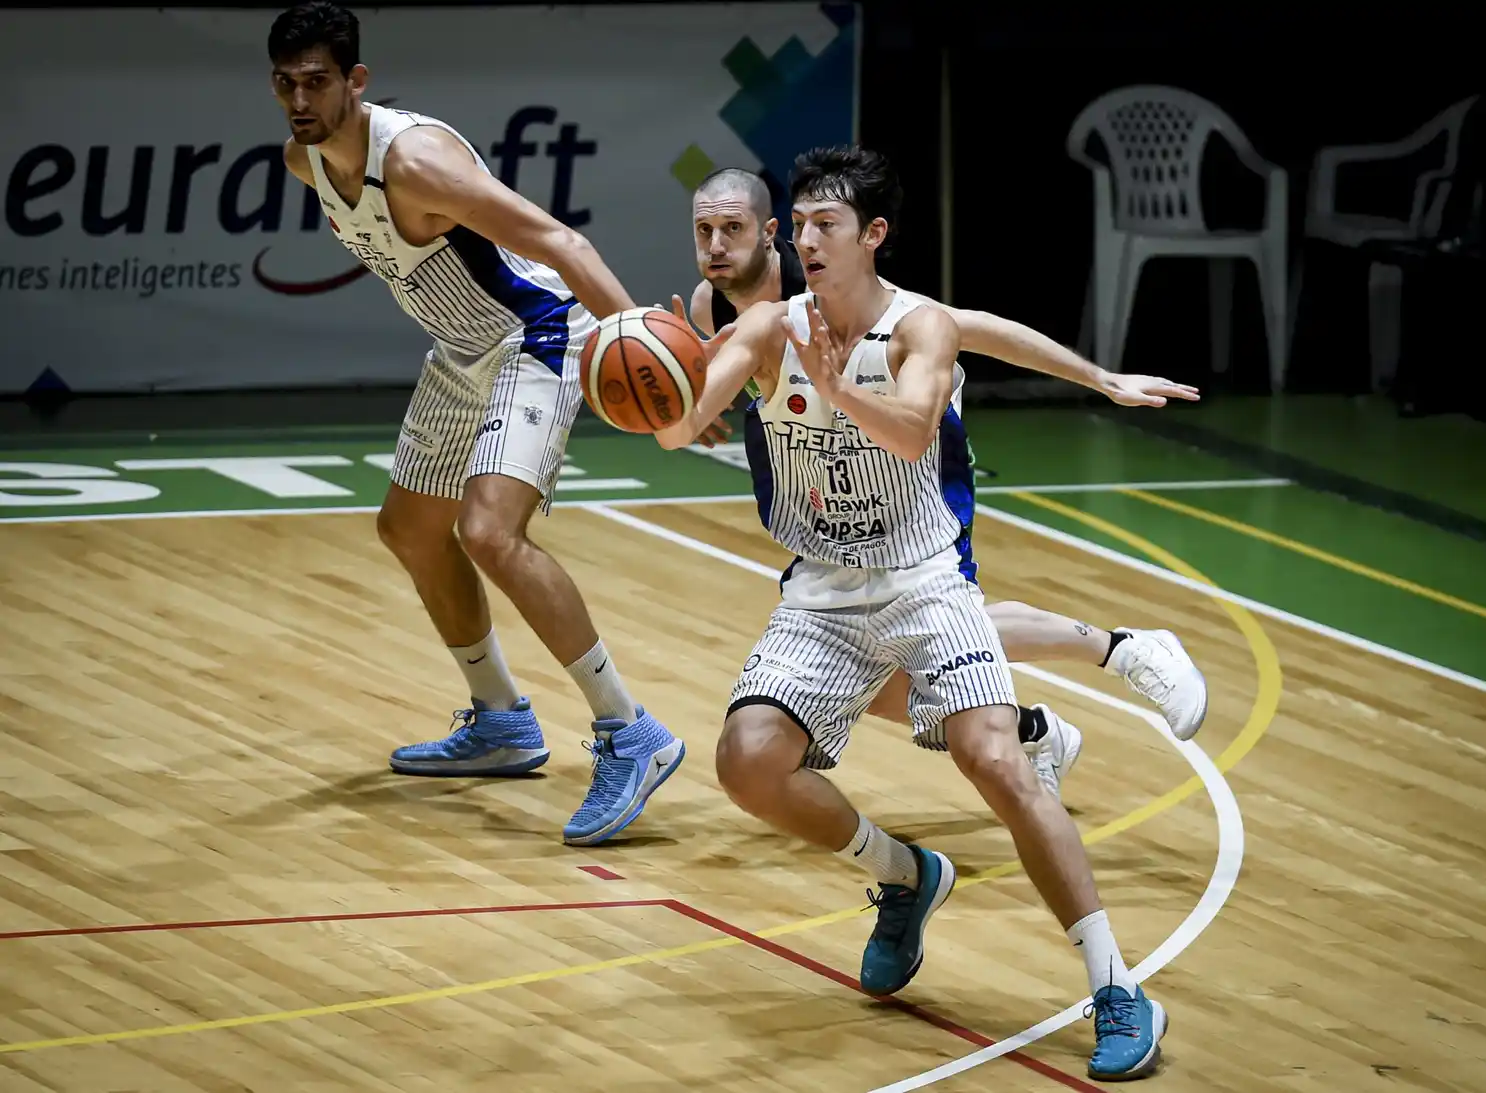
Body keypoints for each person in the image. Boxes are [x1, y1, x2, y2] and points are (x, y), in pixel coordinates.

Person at [656, 146, 1167, 1081]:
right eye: (800, 224)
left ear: (873, 235)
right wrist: (653, 388)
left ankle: (1116, 986)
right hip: (821, 591)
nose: (806, 240)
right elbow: (688, 418)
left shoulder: (914, 328)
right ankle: (905, 875)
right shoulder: (771, 326)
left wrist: (843, 383)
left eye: (827, 225)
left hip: (926, 578)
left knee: (998, 762)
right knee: (746, 761)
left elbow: (914, 425)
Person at [266, 1, 710, 846]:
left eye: (317, 81)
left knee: (489, 532)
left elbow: (562, 244)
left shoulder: (419, 164)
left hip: (535, 335)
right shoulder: (304, 160)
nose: (300, 98)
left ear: (354, 81)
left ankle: (631, 730)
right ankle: (503, 719)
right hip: (461, 345)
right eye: (286, 82)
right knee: (410, 528)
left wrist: (648, 354)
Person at [680, 167, 1208, 747]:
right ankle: (1031, 731)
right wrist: (694, 405)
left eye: (734, 228)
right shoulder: (713, 304)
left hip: (907, 454)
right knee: (860, 663)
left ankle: (1124, 650)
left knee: (932, 616)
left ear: (769, 232)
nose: (718, 245)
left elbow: (975, 328)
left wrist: (1100, 378)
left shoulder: (824, 285)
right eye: (706, 230)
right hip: (817, 466)